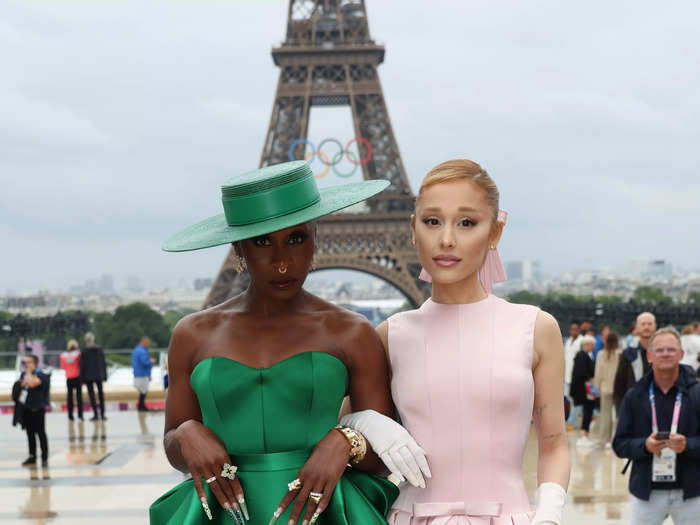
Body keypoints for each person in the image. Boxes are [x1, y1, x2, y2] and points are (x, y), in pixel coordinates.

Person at [150, 161, 418, 525]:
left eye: (296, 238)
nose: (281, 262)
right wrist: (185, 434)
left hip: (323, 512)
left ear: (315, 238)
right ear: (238, 249)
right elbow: (173, 448)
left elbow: (382, 458)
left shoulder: (352, 333)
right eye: (262, 242)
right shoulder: (191, 334)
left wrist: (345, 442)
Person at [343, 160, 570, 524]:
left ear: (495, 232)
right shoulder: (390, 335)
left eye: (467, 222)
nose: (447, 238)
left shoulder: (536, 328)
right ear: (413, 229)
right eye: (432, 221)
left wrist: (550, 514)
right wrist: (365, 421)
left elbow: (554, 442)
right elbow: (332, 430)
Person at [613, 326, 700, 524]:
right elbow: (620, 444)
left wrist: (688, 445)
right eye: (660, 350)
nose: (666, 354)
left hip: (692, 492)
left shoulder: (697, 393)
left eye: (671, 349)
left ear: (681, 354)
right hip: (647, 492)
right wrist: (645, 446)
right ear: (649, 356)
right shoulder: (635, 395)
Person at [614, 312, 656, 413]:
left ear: (655, 326)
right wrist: (620, 411)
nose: (646, 327)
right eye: (643, 324)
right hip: (634, 407)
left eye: (650, 324)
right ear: (637, 327)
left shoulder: (662, 352)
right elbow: (619, 385)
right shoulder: (628, 354)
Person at [19, 354, 50, 466]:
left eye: (28, 362)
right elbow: (22, 384)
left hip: (38, 409)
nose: (26, 365)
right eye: (25, 363)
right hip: (27, 408)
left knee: (41, 434)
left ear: (35, 363)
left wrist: (28, 374)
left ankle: (44, 457)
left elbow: (32, 384)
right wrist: (27, 377)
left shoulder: (41, 375)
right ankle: (32, 456)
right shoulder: (24, 374)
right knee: (30, 433)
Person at [593, 332, 621, 447]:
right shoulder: (621, 354)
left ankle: (605, 440)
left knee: (605, 414)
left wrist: (596, 386)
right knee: (620, 415)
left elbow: (598, 372)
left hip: (605, 388)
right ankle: (618, 439)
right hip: (619, 388)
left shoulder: (600, 354)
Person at [571, 335, 597, 446]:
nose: (593, 347)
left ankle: (585, 434)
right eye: (592, 345)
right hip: (585, 390)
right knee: (587, 412)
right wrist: (591, 378)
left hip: (586, 389)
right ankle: (583, 436)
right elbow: (580, 373)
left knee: (588, 412)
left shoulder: (587, 355)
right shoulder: (582, 355)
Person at [81, 332, 107, 421]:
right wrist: (105, 375)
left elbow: (82, 365)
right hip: (99, 375)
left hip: (88, 376)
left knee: (92, 395)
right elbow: (103, 363)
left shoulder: (84, 350)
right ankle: (102, 414)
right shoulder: (99, 349)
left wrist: (82, 378)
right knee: (100, 394)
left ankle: (96, 414)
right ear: (93, 339)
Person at [564, 321, 582, 428]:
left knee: (576, 398)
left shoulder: (582, 341)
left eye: (576, 329)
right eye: (572, 329)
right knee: (569, 398)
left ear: (579, 330)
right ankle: (571, 420)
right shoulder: (568, 341)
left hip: (577, 375)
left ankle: (572, 421)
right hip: (567, 374)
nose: (574, 331)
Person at [60, 339, 83, 421]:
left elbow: (62, 367)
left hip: (69, 377)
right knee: (79, 397)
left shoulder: (63, 355)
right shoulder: (78, 354)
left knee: (69, 398)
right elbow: (81, 365)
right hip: (77, 377)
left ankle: (70, 415)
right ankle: (80, 416)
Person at [131, 336, 154, 412]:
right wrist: (151, 361)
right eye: (148, 343)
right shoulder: (142, 351)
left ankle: (141, 406)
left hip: (137, 373)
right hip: (142, 374)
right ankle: (141, 407)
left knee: (142, 391)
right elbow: (145, 363)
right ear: (144, 342)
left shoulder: (136, 350)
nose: (148, 345)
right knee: (144, 391)